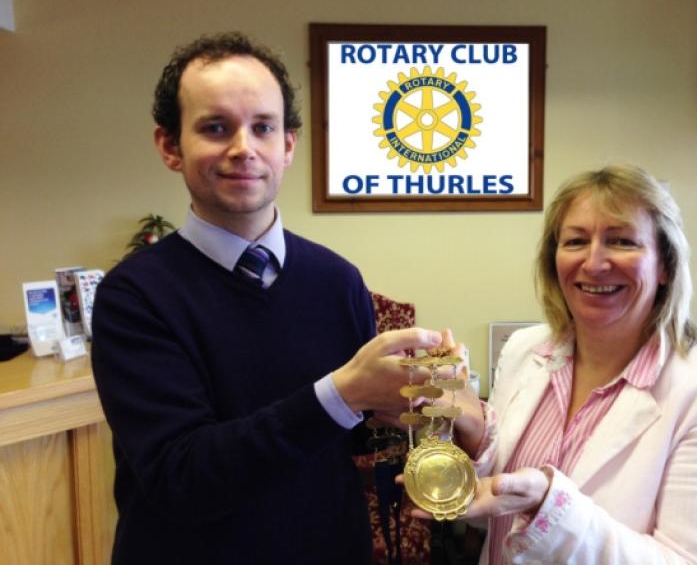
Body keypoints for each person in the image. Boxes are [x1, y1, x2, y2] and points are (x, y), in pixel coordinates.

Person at [91, 32, 443, 564]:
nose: (243, 148)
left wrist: (423, 410)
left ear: (288, 145)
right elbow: (182, 477)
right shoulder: (133, 297)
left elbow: (345, 444)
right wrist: (342, 394)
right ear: (169, 146)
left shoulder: (337, 280)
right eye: (215, 127)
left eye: (263, 127)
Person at [435, 165, 697, 564]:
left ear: (665, 265)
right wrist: (472, 432)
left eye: (622, 241)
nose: (594, 264)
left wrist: (550, 507)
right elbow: (491, 516)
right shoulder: (525, 351)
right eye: (576, 241)